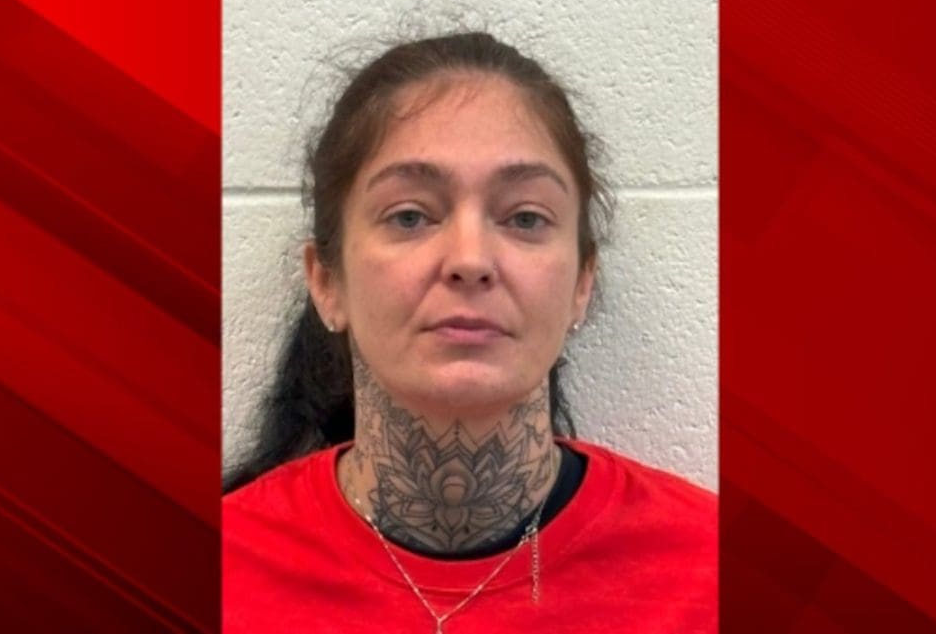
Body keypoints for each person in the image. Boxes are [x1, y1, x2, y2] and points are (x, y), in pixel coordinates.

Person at [222, 31, 716, 633]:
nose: (470, 259)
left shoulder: (713, 574)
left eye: (525, 217)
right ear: (327, 282)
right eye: (410, 215)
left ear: (582, 282)